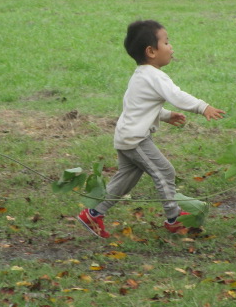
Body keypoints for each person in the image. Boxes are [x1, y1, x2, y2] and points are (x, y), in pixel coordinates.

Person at [77, 20, 225, 238]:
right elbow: (176, 96)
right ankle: (173, 218)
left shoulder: (140, 75)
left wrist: (165, 115)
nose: (171, 47)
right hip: (136, 140)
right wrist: (203, 107)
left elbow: (140, 106)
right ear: (151, 51)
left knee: (124, 181)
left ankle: (93, 214)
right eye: (166, 42)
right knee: (164, 172)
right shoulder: (155, 75)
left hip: (126, 136)